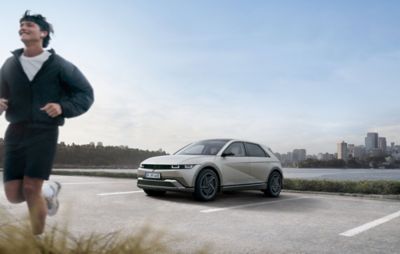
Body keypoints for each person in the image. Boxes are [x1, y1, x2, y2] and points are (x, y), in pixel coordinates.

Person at [0, 10, 94, 236]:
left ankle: (36, 241)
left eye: (29, 25)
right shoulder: (9, 65)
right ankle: (49, 190)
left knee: (32, 188)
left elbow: (85, 93)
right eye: (21, 25)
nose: (23, 27)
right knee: (13, 195)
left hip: (44, 132)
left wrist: (63, 107)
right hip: (15, 132)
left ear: (43, 33)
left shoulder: (59, 65)